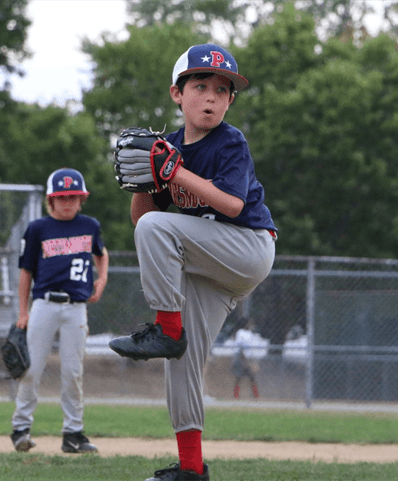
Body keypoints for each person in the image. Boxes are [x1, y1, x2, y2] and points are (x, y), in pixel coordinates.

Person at [108, 43, 276, 481]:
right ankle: (190, 469)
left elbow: (233, 205)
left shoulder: (229, 141)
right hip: (211, 266)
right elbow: (144, 218)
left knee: (159, 233)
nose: (212, 97)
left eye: (223, 90)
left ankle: (165, 328)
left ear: (230, 101)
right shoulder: (171, 148)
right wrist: (144, 179)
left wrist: (174, 172)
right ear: (177, 95)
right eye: (200, 85)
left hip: (247, 248)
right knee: (182, 362)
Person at [10, 167, 109, 453]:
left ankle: (73, 434)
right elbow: (26, 273)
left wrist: (102, 278)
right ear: (50, 201)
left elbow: (101, 255)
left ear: (82, 199)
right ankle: (20, 429)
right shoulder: (38, 229)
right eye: (61, 196)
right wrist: (23, 311)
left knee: (73, 372)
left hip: (76, 308)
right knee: (30, 368)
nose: (68, 202)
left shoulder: (89, 225)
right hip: (44, 305)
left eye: (73, 196)